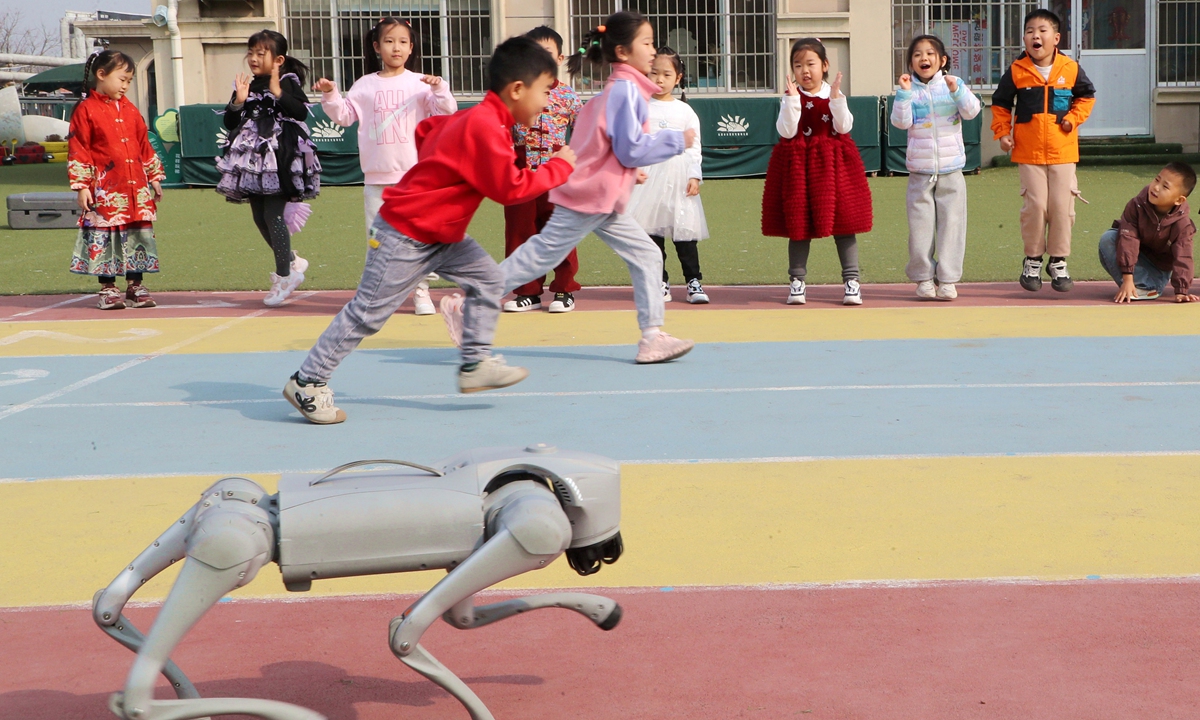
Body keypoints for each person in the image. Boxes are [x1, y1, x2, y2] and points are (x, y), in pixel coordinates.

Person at [283, 36, 577, 425]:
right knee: (368, 314)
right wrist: (560, 166)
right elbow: (510, 189)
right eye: (544, 91)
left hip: (442, 233)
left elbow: (429, 132)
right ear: (518, 89)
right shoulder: (487, 127)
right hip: (405, 233)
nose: (546, 102)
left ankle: (475, 364)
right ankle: (308, 381)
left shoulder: (478, 119)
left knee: (489, 279)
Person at [447, 11, 696, 364]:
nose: (653, 50)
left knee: (646, 254)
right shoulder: (625, 91)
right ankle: (469, 301)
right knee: (542, 254)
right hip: (590, 198)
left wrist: (628, 171)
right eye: (647, 42)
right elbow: (628, 147)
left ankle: (652, 337)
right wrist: (676, 140)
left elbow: (601, 145)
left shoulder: (618, 90)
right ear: (623, 52)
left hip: (599, 196)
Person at [315, 17, 456, 316]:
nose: (397, 47)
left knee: (418, 237)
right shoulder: (365, 84)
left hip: (415, 177)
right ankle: (377, 297)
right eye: (390, 41)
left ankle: (421, 292)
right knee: (378, 241)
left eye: (403, 42)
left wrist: (440, 87)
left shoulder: (420, 84)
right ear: (377, 46)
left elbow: (447, 111)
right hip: (377, 179)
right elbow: (343, 115)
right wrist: (330, 93)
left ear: (411, 47)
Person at [762, 37, 873, 306]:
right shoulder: (790, 97)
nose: (805, 71)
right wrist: (791, 102)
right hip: (799, 166)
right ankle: (797, 282)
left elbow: (845, 127)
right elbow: (786, 132)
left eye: (810, 64)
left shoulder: (834, 94)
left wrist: (835, 99)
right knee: (799, 225)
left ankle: (851, 282)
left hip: (834, 165)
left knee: (844, 224)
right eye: (798, 65)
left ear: (825, 65)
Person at [991, 8, 1095, 293]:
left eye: (1042, 30)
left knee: (1062, 207)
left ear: (1056, 37)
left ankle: (1058, 261)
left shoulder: (1070, 68)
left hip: (1063, 152)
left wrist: (1072, 119)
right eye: (1029, 31)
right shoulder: (1016, 71)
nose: (1035, 36)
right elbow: (1000, 105)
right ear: (1025, 39)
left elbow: (1086, 98)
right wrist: (1002, 133)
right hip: (1029, 153)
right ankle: (1033, 260)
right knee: (1035, 207)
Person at [217, 29, 321, 307]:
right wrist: (238, 101)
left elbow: (299, 112)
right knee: (260, 217)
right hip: (252, 162)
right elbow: (230, 121)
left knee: (274, 215)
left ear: (278, 59)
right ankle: (292, 261)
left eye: (261, 53)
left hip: (280, 157)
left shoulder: (288, 81)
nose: (253, 58)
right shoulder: (248, 84)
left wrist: (278, 93)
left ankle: (285, 276)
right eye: (251, 52)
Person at [68, 50, 165, 310]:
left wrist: (154, 176)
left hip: (136, 189)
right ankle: (108, 288)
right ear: (101, 75)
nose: (125, 85)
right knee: (106, 237)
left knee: (137, 236)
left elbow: (144, 145)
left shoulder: (131, 110)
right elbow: (79, 149)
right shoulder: (86, 109)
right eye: (122, 79)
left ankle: (135, 286)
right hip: (105, 190)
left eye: (129, 81)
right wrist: (81, 186)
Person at [891, 34, 981, 301]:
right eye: (917, 55)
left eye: (930, 54)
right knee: (920, 228)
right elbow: (900, 122)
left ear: (942, 60)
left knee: (952, 226)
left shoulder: (954, 85)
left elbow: (972, 111)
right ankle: (923, 278)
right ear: (911, 62)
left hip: (951, 170)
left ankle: (949, 280)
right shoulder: (909, 90)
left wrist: (958, 90)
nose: (924, 58)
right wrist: (904, 94)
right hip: (920, 171)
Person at [627, 46, 710, 304]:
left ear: (678, 77)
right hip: (649, 179)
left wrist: (694, 175)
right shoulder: (639, 107)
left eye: (666, 74)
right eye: (654, 73)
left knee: (684, 233)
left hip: (678, 179)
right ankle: (659, 281)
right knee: (652, 235)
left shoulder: (685, 111)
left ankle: (693, 281)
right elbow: (634, 142)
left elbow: (695, 146)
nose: (659, 80)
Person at [1098, 162, 1197, 303]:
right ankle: (1134, 286)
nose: (1156, 187)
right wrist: (1127, 278)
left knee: (1112, 239)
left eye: (1165, 186)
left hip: (1158, 271)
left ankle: (1148, 287)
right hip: (1135, 262)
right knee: (1109, 238)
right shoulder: (1136, 205)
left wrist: (1181, 291)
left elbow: (1184, 256)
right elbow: (1128, 239)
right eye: (1157, 179)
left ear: (1179, 200)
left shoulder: (1183, 225)